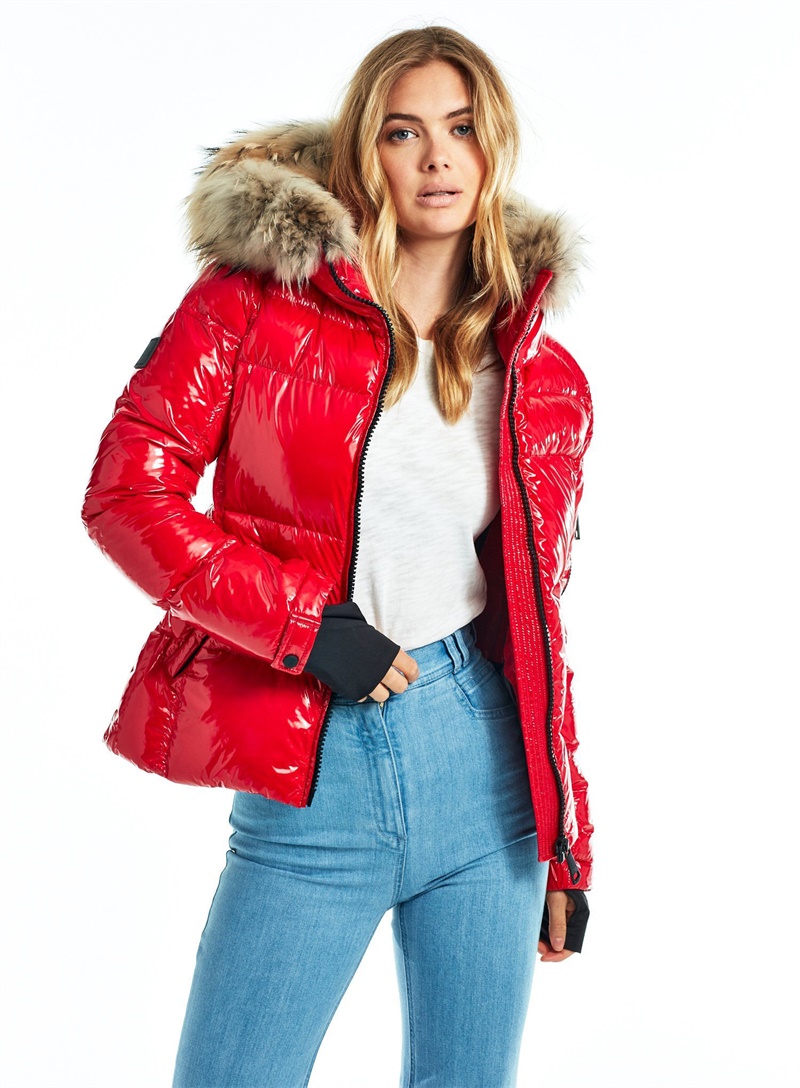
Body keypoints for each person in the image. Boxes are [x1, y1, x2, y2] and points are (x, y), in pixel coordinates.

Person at [81, 25, 595, 1088]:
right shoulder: (252, 302)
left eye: (461, 129)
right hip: (316, 770)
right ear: (368, 149)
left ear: (493, 146)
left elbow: (539, 625)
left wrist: (565, 837)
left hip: (484, 773)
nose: (437, 157)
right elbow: (128, 494)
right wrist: (304, 625)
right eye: (405, 132)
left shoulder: (541, 374)